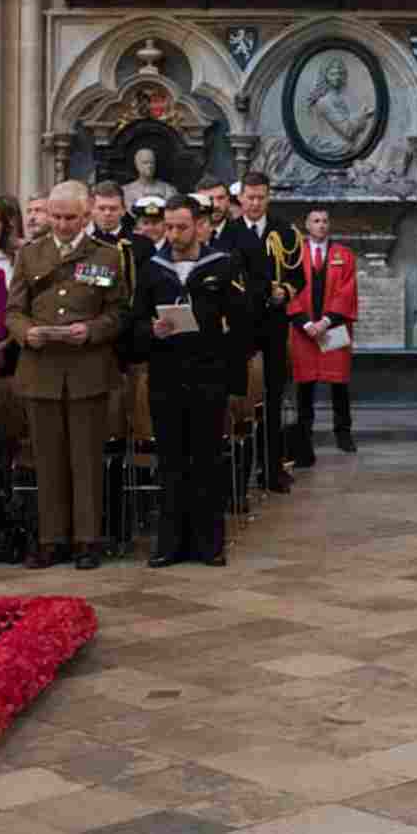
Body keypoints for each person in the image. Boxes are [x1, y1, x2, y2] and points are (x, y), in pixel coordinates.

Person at [7, 180, 128, 570]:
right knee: (47, 458)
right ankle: (50, 539)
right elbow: (14, 310)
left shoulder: (106, 257)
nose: (61, 225)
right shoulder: (30, 254)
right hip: (40, 369)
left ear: (87, 214)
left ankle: (87, 540)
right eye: (56, 217)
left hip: (86, 369)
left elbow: (119, 312)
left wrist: (90, 330)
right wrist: (27, 332)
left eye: (70, 217)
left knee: (86, 458)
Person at [131, 195, 249, 568]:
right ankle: (169, 543)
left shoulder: (223, 265)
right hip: (166, 375)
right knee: (171, 461)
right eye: (169, 227)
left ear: (199, 225)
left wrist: (229, 371)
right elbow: (134, 321)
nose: (174, 233)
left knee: (207, 460)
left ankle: (209, 543)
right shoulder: (152, 268)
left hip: (207, 375)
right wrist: (150, 330)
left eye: (182, 226)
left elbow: (242, 321)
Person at [220, 171, 305, 493]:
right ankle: (238, 473)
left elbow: (298, 276)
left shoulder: (284, 231)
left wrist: (285, 290)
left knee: (272, 396)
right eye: (250, 197)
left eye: (261, 197)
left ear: (268, 197)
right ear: (240, 198)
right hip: (241, 326)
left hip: (273, 324)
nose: (255, 203)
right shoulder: (228, 233)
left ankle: (272, 470)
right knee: (241, 397)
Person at [287, 208, 358, 465]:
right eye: (316, 221)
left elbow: (347, 293)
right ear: (307, 225)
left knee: (339, 382)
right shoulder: (294, 255)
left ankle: (343, 433)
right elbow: (288, 290)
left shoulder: (344, 255)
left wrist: (326, 321)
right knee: (304, 384)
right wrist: (305, 323)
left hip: (334, 327)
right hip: (304, 329)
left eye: (325, 221)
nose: (321, 225)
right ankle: (304, 434)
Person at [306, 57, 375, 155]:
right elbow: (348, 130)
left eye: (340, 73)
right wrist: (363, 115)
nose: (337, 77)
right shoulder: (324, 102)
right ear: (325, 76)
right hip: (334, 148)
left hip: (345, 146)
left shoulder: (339, 98)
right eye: (333, 74)